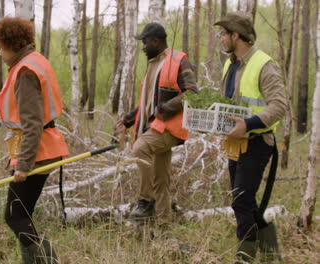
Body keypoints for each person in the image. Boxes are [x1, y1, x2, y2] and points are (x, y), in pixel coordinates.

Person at [0, 17, 69, 264]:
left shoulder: (25, 71)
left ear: (13, 43)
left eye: (1, 47)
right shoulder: (33, 61)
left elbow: (33, 123)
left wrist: (24, 164)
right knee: (21, 213)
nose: (0, 54)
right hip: (40, 147)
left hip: (38, 150)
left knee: (15, 216)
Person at [214, 12, 286, 263]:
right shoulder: (230, 64)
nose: (221, 38)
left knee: (241, 201)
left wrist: (248, 124)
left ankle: (244, 257)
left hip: (257, 141)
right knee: (244, 199)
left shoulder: (264, 64)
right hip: (235, 142)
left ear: (236, 35)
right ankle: (271, 254)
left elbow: (279, 106)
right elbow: (230, 103)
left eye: (224, 33)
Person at [114, 23, 198, 228]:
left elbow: (193, 93)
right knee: (161, 180)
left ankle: (145, 200)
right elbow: (147, 102)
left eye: (145, 42)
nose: (143, 46)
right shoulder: (153, 64)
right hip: (156, 126)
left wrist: (165, 108)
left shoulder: (179, 60)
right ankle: (164, 228)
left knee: (140, 148)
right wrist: (127, 120)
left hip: (171, 127)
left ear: (156, 41)